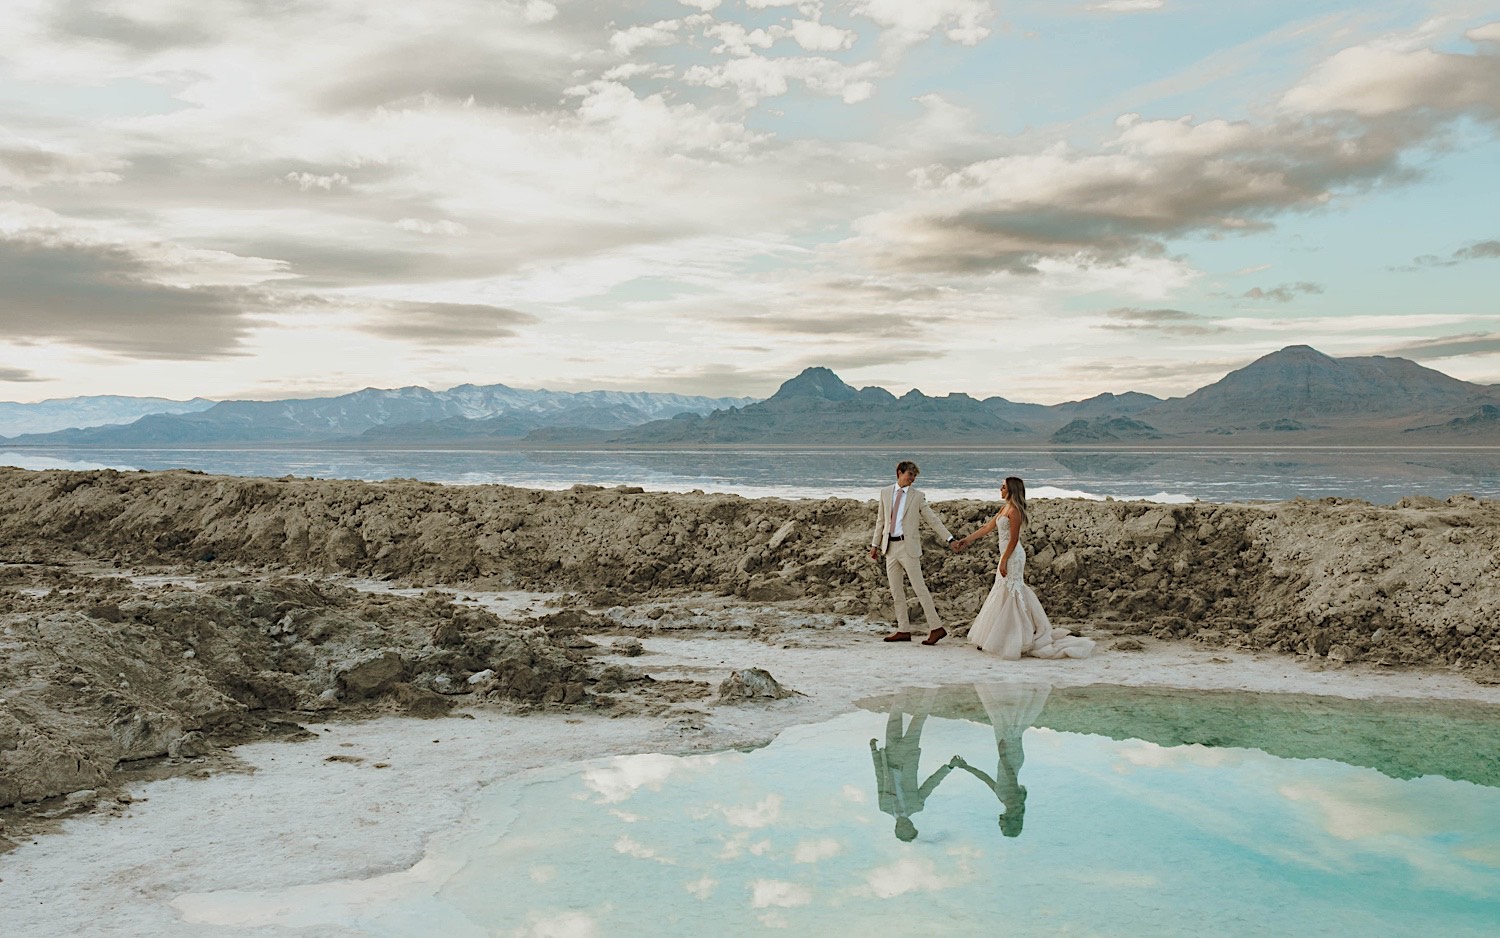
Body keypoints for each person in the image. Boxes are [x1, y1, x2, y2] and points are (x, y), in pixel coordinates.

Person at [953, 476, 1094, 659]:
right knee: (1002, 591)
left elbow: (1013, 539)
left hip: (1013, 556)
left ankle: (1019, 636)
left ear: (1011, 489)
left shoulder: (1015, 511)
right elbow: (987, 528)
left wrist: (1004, 560)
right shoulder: (1004, 507)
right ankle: (997, 635)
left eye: (1003, 487)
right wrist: (966, 540)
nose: (1000, 489)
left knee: (1012, 590)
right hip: (1006, 555)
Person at [869, 460, 959, 644]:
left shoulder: (917, 496)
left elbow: (932, 519)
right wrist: (875, 545)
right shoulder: (885, 492)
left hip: (908, 548)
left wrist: (949, 539)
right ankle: (903, 629)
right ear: (899, 473)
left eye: (915, 476)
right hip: (890, 547)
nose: (913, 479)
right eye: (910, 475)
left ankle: (936, 628)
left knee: (920, 588)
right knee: (896, 591)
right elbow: (881, 520)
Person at [952, 682, 1051, 837]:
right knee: (1008, 723)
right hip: (1010, 760)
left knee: (1008, 723)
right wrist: (1003, 756)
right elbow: (1010, 778)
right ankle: (1016, 690)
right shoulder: (1011, 801)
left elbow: (985, 779)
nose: (999, 823)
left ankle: (1017, 691)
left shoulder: (1007, 801)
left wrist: (965, 767)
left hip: (1012, 759)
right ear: (1011, 821)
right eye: (1003, 826)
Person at [869, 688, 964, 842]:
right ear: (913, 824)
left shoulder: (884, 806)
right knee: (919, 719)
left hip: (889, 756)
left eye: (903, 828)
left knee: (895, 715)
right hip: (908, 757)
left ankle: (903, 686)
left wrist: (874, 752)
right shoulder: (915, 806)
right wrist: (949, 767)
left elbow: (880, 778)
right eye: (910, 827)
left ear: (896, 828)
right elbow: (930, 784)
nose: (906, 825)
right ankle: (932, 688)